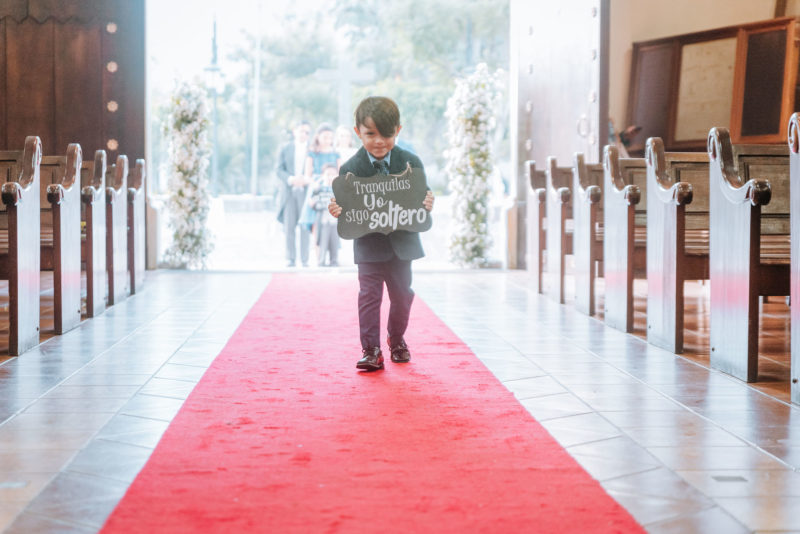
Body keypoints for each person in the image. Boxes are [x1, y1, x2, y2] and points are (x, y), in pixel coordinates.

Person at [329, 96, 434, 371]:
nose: (379, 141)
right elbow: (347, 206)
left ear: (398, 130)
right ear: (357, 133)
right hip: (368, 245)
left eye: (386, 134)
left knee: (402, 295)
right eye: (370, 134)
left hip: (403, 244)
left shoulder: (411, 162)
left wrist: (427, 201)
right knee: (369, 295)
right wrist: (338, 209)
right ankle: (371, 349)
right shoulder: (350, 170)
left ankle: (396, 338)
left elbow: (421, 197)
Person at [275, 120, 312, 267]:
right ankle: (290, 258)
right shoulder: (285, 148)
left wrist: (305, 180)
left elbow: (316, 169)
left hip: (305, 192)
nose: (304, 134)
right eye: (301, 131)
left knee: (304, 226)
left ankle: (305, 259)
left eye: (307, 132)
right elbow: (278, 169)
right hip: (289, 192)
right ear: (294, 131)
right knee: (289, 226)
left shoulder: (312, 149)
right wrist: (290, 179)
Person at [299, 123, 340, 235]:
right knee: (316, 225)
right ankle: (317, 251)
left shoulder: (336, 154)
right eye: (325, 137)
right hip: (317, 188)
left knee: (332, 224)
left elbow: (340, 174)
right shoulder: (312, 153)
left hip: (331, 189)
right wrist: (315, 184)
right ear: (318, 136)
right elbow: (307, 175)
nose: (328, 140)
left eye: (330, 137)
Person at [308, 162, 340, 267]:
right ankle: (321, 261)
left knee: (334, 241)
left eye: (333, 174)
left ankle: (334, 260)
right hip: (323, 220)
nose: (330, 177)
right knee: (323, 241)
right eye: (328, 174)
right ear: (323, 175)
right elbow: (313, 203)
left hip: (335, 221)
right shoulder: (319, 189)